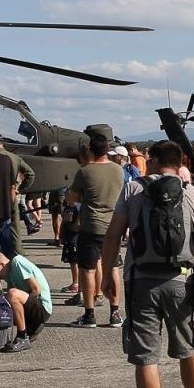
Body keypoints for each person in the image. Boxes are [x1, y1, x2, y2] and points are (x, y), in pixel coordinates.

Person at [102, 140, 194, 388]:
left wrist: (106, 276)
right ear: (179, 161)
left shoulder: (132, 191)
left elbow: (113, 235)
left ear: (152, 161)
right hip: (182, 282)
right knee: (189, 346)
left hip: (141, 281)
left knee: (145, 356)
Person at [67, 132, 126, 329]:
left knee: (88, 269)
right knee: (114, 267)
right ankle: (115, 312)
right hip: (113, 226)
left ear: (91, 150)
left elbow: (72, 199)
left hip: (91, 225)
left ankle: (89, 313)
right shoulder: (118, 170)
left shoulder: (85, 171)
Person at [0, 249, 52, 351]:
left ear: (2, 264)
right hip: (32, 306)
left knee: (12, 294)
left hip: (43, 307)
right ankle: (31, 327)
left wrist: (20, 305)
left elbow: (36, 290)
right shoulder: (8, 274)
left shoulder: (17, 262)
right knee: (2, 303)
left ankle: (23, 337)